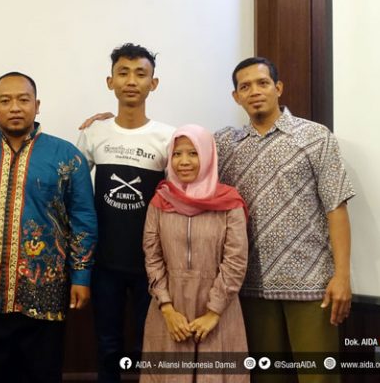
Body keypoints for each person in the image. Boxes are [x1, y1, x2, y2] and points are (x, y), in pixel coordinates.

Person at [216, 57, 355, 383]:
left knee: (318, 378)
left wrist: (342, 276)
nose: (254, 91)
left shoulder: (316, 137)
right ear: (236, 96)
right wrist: (111, 122)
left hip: (312, 285)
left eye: (262, 83)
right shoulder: (224, 145)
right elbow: (181, 152)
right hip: (251, 286)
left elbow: (336, 207)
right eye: (245, 86)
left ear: (278, 88)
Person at [0, 72, 97, 383]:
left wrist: (81, 275)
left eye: (23, 99)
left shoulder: (67, 156)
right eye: (5, 100)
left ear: (37, 105)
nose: (15, 107)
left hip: (44, 294)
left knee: (41, 374)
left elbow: (83, 219)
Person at [76, 43, 175, 381]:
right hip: (104, 262)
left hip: (153, 263)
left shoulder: (168, 138)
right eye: (123, 73)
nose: (131, 81)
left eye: (140, 74)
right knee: (107, 345)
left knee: (152, 344)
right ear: (110, 82)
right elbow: (75, 191)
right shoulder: (93, 132)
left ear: (153, 83)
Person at [141, 124, 248, 383]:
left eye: (193, 153)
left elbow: (235, 260)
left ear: (208, 155)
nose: (184, 162)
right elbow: (152, 256)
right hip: (169, 307)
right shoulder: (160, 201)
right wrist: (167, 308)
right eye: (177, 154)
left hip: (219, 308)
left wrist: (213, 312)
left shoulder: (229, 202)